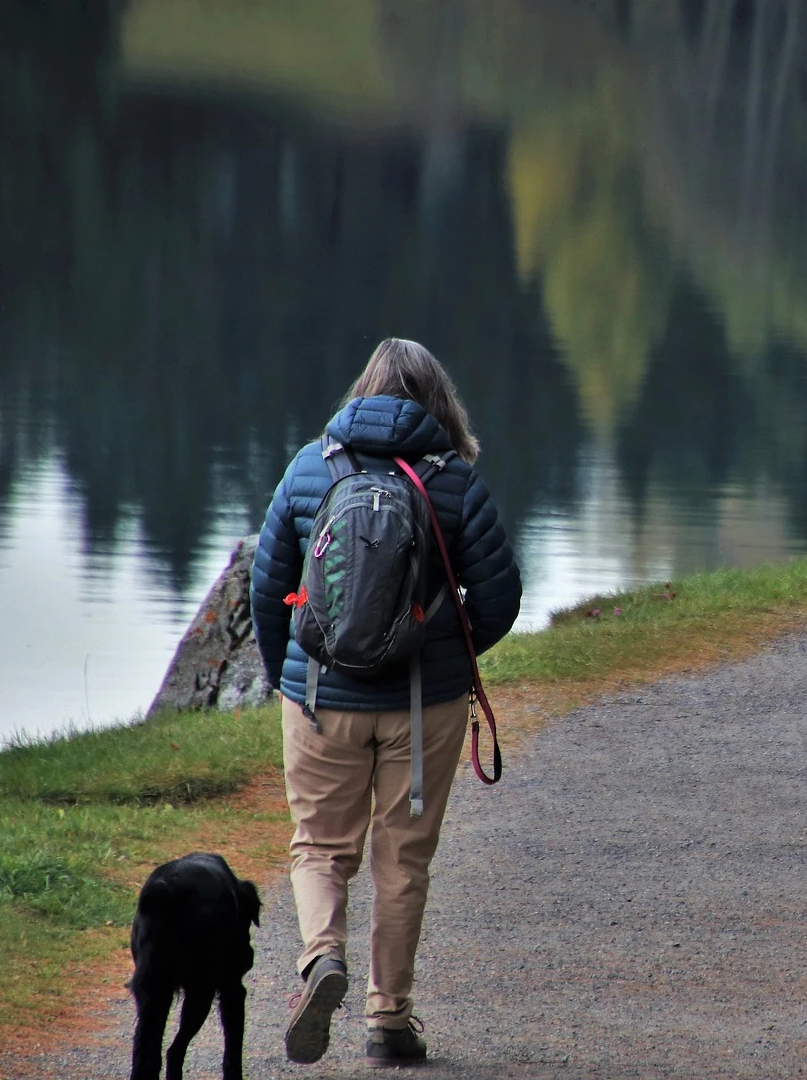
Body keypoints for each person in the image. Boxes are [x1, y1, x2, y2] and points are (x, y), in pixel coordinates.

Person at [250, 338, 521, 1066]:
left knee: (319, 846)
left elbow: (265, 589)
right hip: (420, 707)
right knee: (403, 861)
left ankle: (321, 958)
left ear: (362, 391)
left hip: (318, 699)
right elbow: (498, 598)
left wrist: (288, 678)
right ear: (439, 402)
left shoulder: (311, 469)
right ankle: (389, 1020)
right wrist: (447, 664)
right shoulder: (454, 482)